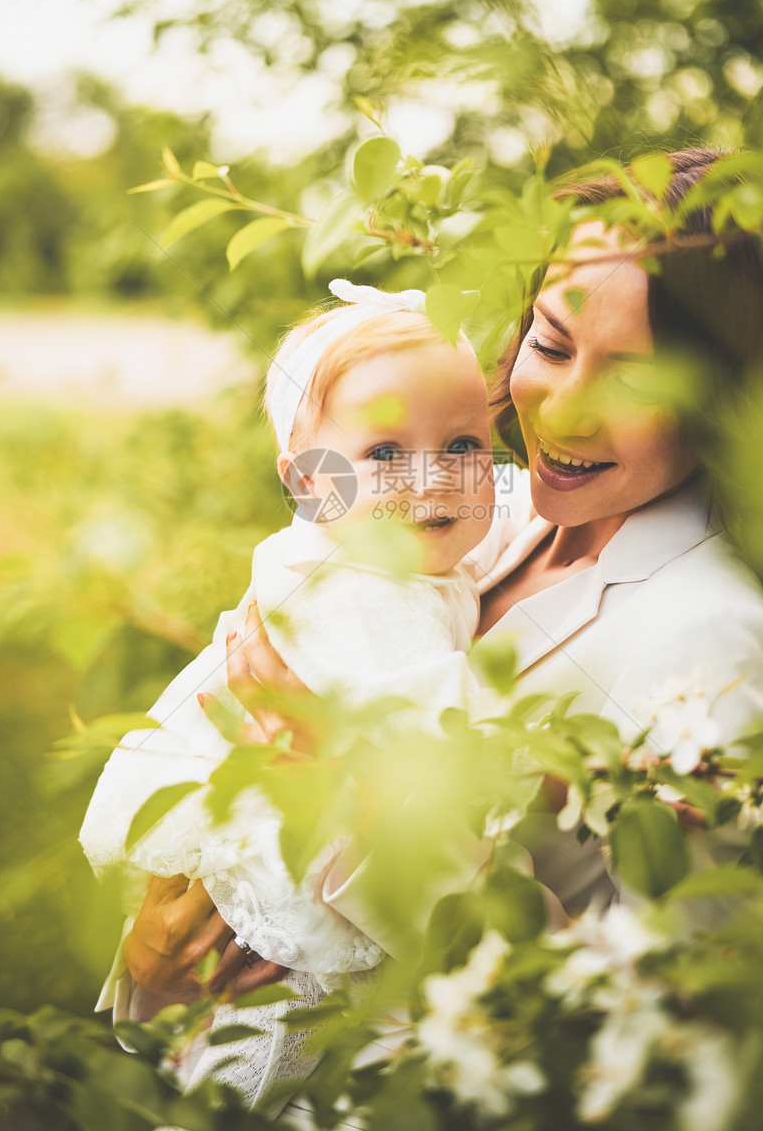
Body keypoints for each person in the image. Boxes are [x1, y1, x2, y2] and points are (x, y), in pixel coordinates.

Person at [123, 148, 763, 1103]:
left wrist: (343, 778)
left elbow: (652, 1022)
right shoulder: (490, 504)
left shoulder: (715, 639)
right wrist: (167, 934)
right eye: (551, 343)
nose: (565, 410)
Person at [79, 277, 502, 1114]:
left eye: (464, 444)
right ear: (309, 481)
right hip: (285, 911)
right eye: (384, 453)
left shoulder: (399, 555)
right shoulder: (362, 597)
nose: (434, 479)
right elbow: (436, 745)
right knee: (263, 1063)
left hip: (328, 878)